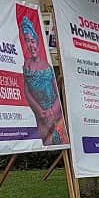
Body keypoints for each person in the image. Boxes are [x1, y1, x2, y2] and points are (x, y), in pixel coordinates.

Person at [20, 16, 67, 147]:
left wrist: (52, 112)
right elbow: (27, 92)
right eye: (27, 41)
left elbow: (57, 92)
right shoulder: (26, 66)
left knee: (60, 141)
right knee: (46, 142)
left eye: (32, 41)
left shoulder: (47, 67)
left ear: (37, 42)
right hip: (40, 117)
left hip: (55, 115)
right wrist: (39, 111)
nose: (31, 45)